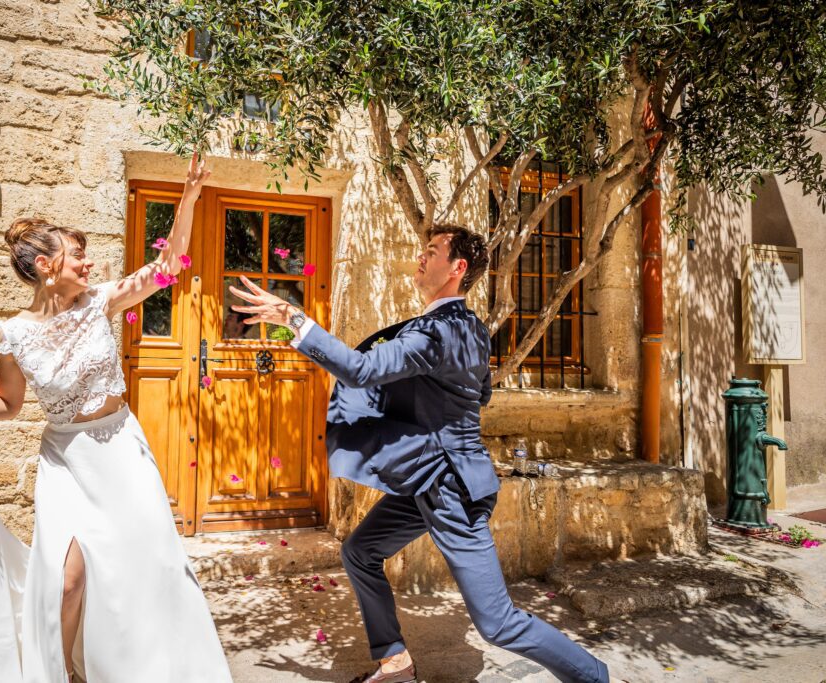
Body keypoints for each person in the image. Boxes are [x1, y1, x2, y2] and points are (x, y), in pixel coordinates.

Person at [230, 223, 610, 683]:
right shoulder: (469, 327)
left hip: (452, 490)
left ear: (457, 268)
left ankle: (595, 678)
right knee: (360, 551)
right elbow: (479, 395)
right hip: (429, 478)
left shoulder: (438, 332)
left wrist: (292, 318)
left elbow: (360, 369)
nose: (421, 257)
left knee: (498, 623)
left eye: (432, 251)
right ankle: (395, 663)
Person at [0, 155, 232, 682]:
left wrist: (190, 196)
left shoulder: (100, 303)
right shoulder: (12, 334)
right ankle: (64, 673)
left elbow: (169, 265)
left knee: (150, 564)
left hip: (119, 450)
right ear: (46, 266)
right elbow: (9, 402)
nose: (89, 265)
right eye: (78, 256)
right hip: (65, 458)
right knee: (67, 581)